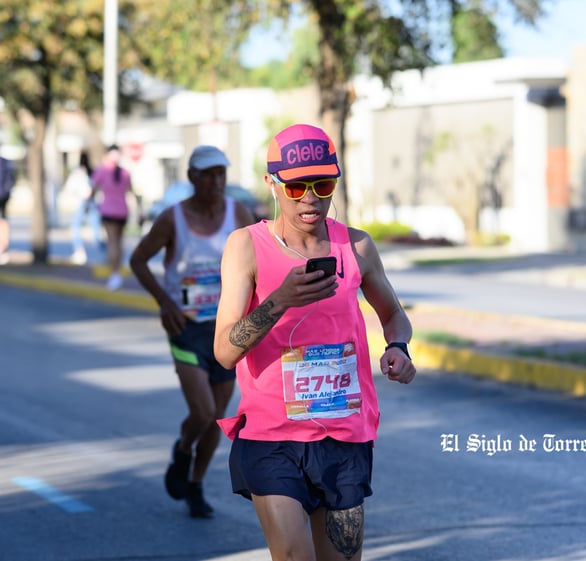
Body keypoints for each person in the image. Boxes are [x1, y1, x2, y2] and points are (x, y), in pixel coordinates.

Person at [213, 124, 416, 561]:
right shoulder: (246, 247)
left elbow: (393, 315)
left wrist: (398, 348)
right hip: (273, 437)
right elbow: (225, 351)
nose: (310, 198)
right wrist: (280, 300)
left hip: (344, 436)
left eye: (322, 184)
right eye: (296, 186)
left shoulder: (356, 246)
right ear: (272, 183)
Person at [129, 145, 256, 518]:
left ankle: (196, 485)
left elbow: (259, 260)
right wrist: (164, 302)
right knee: (201, 412)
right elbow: (138, 259)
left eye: (221, 174)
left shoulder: (239, 213)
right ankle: (183, 448)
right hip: (186, 327)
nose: (216, 181)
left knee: (218, 415)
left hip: (228, 327)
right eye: (208, 174)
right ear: (191, 177)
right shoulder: (173, 219)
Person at [90, 144, 142, 290]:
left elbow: (92, 188)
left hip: (108, 211)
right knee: (119, 242)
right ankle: (117, 270)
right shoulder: (125, 173)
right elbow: (132, 191)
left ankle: (114, 274)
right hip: (123, 211)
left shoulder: (102, 170)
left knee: (112, 242)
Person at [65, 151, 103, 265]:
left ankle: (79, 250)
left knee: (77, 226)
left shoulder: (78, 173)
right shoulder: (93, 172)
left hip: (82, 202)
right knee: (95, 228)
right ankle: (103, 251)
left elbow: (70, 187)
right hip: (91, 201)